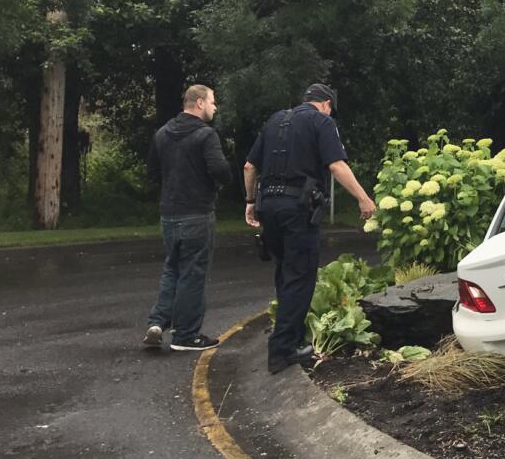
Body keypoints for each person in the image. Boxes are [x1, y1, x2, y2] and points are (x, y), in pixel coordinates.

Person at [243, 83, 376, 373]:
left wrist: (251, 201)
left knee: (284, 273)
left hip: (269, 207)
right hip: (297, 210)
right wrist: (363, 198)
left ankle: (290, 336)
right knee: (300, 277)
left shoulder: (276, 119)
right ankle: (282, 351)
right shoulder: (321, 121)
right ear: (327, 104)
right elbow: (336, 166)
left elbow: (249, 167)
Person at [144, 84, 232, 351]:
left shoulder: (162, 134)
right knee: (193, 273)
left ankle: (158, 321)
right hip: (197, 212)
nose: (215, 107)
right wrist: (220, 181)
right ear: (200, 103)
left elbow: (151, 172)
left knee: (173, 267)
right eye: (213, 102)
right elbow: (220, 169)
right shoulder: (206, 135)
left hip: (169, 213)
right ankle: (186, 335)